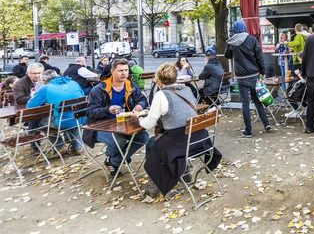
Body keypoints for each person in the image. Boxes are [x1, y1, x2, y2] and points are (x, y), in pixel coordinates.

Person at [135, 63, 223, 197]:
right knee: (169, 138)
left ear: (158, 80)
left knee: (153, 144)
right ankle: (185, 173)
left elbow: (148, 125)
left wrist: (139, 118)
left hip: (179, 144)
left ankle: (155, 185)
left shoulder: (161, 95)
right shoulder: (186, 89)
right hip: (200, 139)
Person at [84, 59, 150, 175]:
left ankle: (114, 160)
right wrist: (107, 109)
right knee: (118, 140)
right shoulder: (99, 90)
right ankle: (119, 159)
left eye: (126, 70)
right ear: (112, 71)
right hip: (100, 127)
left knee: (143, 136)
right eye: (120, 71)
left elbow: (142, 99)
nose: (124, 73)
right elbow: (90, 112)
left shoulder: (130, 85)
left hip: (124, 124)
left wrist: (140, 105)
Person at [225, 20, 272, 138]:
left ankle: (248, 130)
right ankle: (266, 123)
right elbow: (260, 57)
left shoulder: (231, 42)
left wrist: (229, 43)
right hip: (254, 75)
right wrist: (263, 72)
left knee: (245, 104)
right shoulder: (252, 40)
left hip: (241, 78)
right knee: (257, 101)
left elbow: (227, 56)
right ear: (244, 28)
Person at [27, 71, 85, 156]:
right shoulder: (74, 83)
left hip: (61, 122)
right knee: (73, 117)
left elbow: (30, 105)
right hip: (80, 118)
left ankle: (60, 146)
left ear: (44, 80)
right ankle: (77, 147)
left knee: (42, 122)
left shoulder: (46, 88)